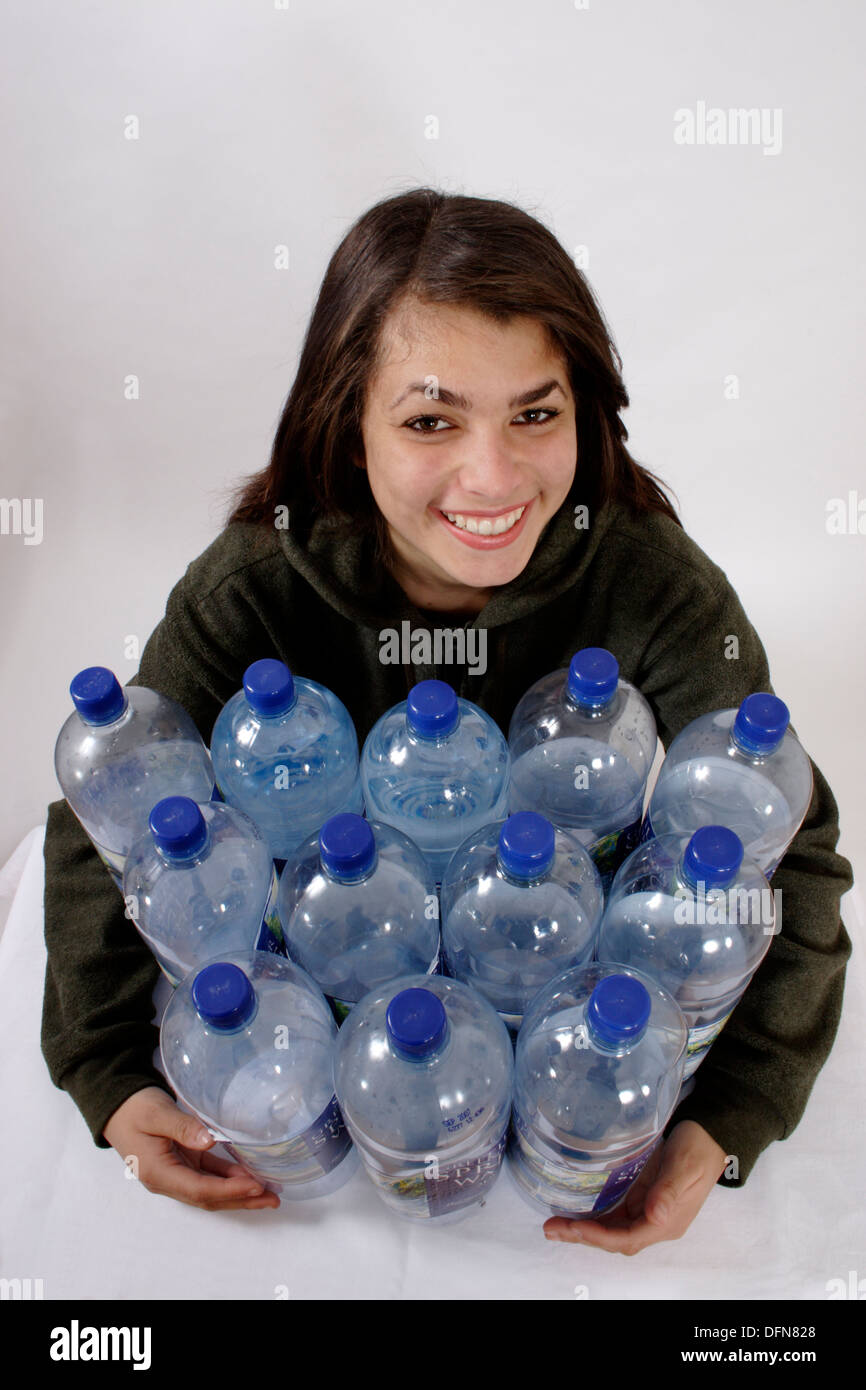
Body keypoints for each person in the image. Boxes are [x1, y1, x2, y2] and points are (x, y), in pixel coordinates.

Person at [42, 186, 853, 1253]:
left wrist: (727, 1118)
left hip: (548, 986)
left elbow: (785, 861)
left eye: (534, 412)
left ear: (586, 409)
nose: (494, 475)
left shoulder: (647, 579)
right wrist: (106, 1074)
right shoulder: (252, 590)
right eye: (430, 419)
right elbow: (113, 819)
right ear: (346, 422)